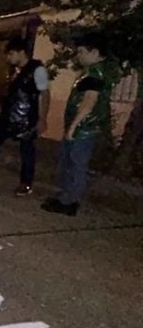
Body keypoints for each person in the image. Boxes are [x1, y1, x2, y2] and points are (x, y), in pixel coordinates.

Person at [42, 33, 114, 217]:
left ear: (95, 52)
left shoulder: (96, 73)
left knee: (76, 164)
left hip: (84, 129)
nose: (78, 55)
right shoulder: (92, 71)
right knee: (68, 162)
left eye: (81, 51)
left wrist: (74, 126)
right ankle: (64, 196)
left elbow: (89, 101)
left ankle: (69, 201)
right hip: (81, 128)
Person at [0, 38, 50, 196]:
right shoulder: (15, 71)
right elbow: (9, 96)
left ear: (22, 53)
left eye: (11, 54)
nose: (8, 58)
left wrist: (42, 119)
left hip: (26, 117)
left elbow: (44, 94)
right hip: (8, 116)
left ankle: (26, 183)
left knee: (27, 151)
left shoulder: (37, 70)